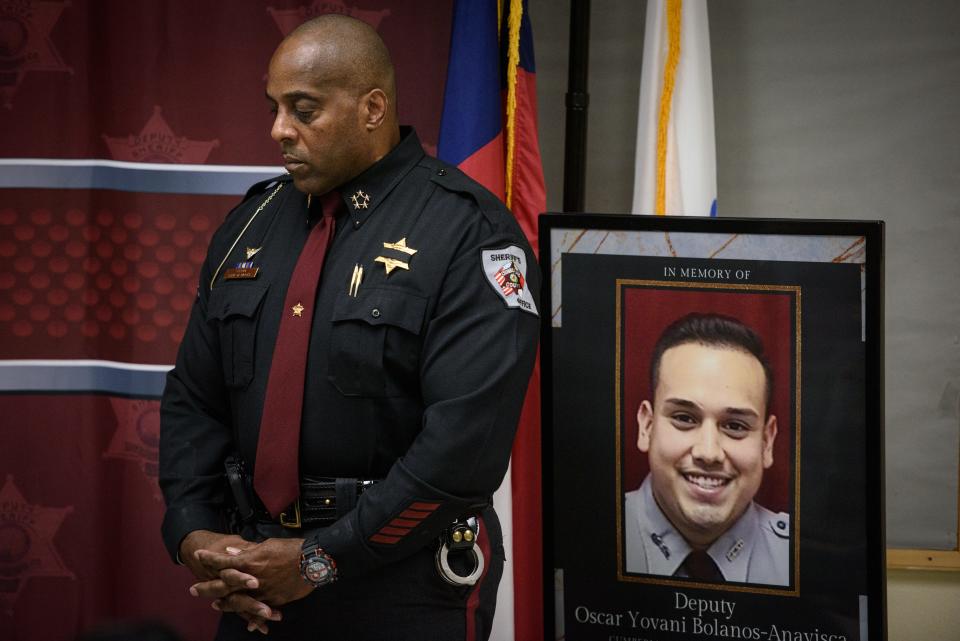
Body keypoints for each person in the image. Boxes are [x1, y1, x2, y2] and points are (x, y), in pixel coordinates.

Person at [159, 14, 539, 640]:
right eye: (275, 108)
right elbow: (193, 400)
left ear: (372, 107)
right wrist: (195, 533)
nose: (278, 130)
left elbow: (462, 450)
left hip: (403, 584)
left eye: (303, 110)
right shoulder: (249, 227)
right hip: (258, 578)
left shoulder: (469, 232)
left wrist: (321, 559)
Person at [623, 313, 790, 586]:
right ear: (646, 426)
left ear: (767, 442)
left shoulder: (806, 563)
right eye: (684, 418)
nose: (708, 452)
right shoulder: (587, 540)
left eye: (735, 425)